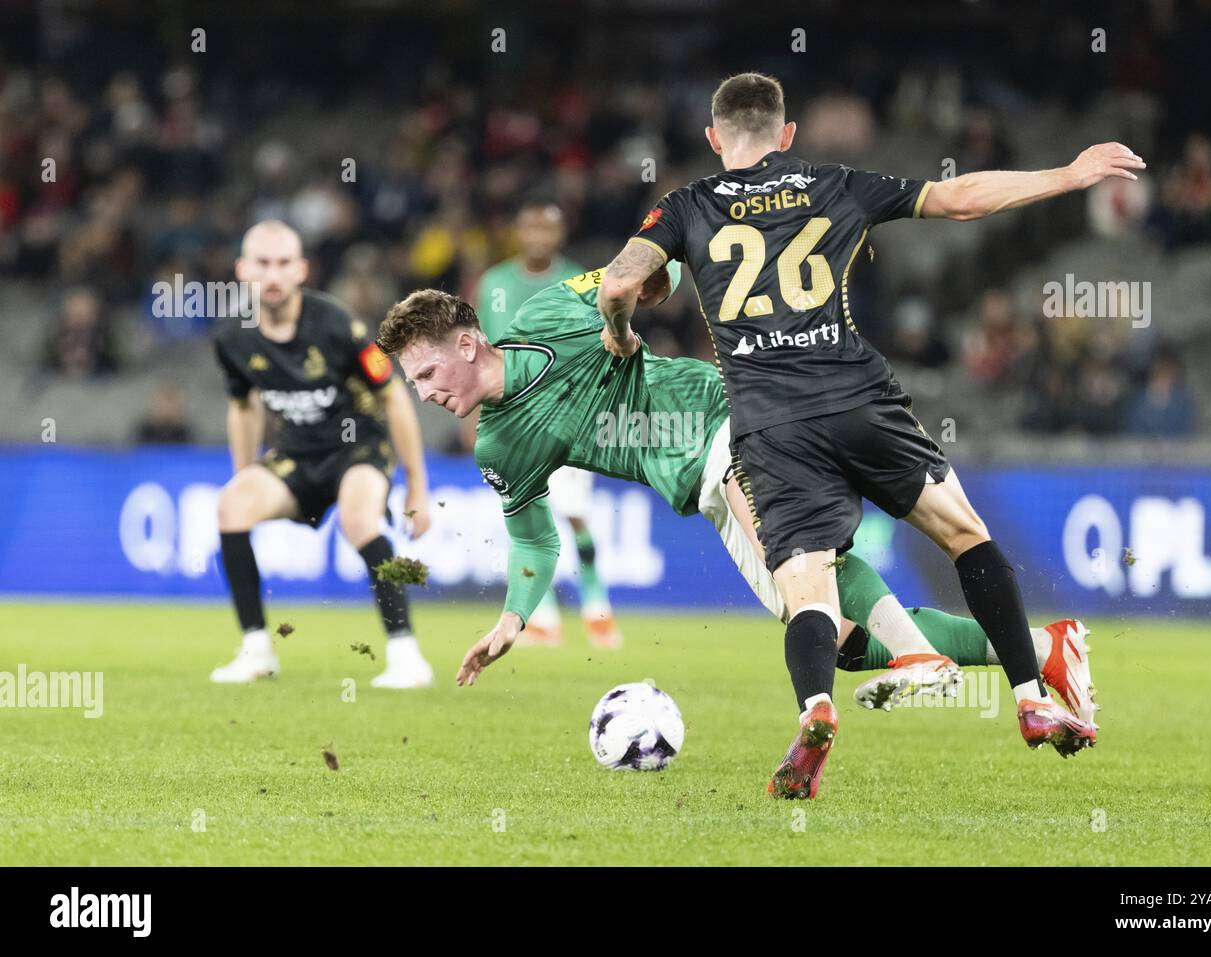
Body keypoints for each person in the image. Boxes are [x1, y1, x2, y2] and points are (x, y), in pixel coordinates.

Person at [595, 72, 1139, 797]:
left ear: (713, 137)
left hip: (772, 421)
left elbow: (615, 287)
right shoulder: (834, 181)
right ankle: (1030, 694)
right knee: (963, 532)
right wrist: (1069, 174)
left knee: (807, 587)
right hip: (860, 397)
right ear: (787, 135)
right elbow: (956, 198)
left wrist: (622, 334)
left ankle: (817, 708)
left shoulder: (684, 206)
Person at [374, 266, 1097, 729]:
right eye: (415, 385)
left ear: (468, 344)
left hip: (725, 419)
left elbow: (642, 272)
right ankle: (1040, 648)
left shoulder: (547, 311)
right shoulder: (500, 445)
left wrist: (641, 296)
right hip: (703, 485)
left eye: (429, 372)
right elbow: (535, 539)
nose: (427, 392)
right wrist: (510, 619)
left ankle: (919, 659)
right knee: (835, 636)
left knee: (805, 570)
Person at [211, 220, 434, 687]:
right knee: (231, 506)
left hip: (359, 446)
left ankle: (406, 655)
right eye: (262, 264)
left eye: (283, 263)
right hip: (296, 451)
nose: (272, 275)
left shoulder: (339, 324)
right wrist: (244, 473)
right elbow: (243, 406)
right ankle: (256, 651)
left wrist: (417, 485)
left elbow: (394, 394)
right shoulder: (232, 337)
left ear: (301, 270)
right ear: (242, 270)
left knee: (359, 520)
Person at [475, 200, 620, 649]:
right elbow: (484, 351)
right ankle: (543, 617)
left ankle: (597, 606)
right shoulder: (494, 283)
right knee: (527, 514)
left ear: (560, 234)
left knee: (575, 515)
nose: (538, 236)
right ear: (517, 231)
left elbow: (596, 346)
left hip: (570, 413)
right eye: (530, 226)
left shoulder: (579, 279)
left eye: (547, 228)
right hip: (513, 420)